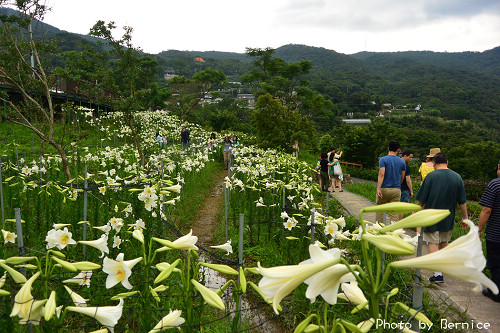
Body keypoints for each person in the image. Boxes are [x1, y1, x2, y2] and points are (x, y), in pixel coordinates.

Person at [415, 152, 468, 283]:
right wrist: (465, 217)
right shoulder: (457, 177)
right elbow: (462, 201)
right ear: (447, 162)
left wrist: (415, 214)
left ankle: (438, 274)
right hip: (448, 217)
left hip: (432, 215)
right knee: (443, 242)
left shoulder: (431, 176)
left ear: (434, 163)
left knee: (433, 242)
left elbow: (421, 200)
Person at [478, 161, 500, 302]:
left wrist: (479, 229)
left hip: (496, 233)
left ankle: (496, 292)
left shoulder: (495, 184)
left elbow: (487, 210)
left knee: (496, 263)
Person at [376, 141, 406, 223]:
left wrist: (378, 188)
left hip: (384, 188)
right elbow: (402, 176)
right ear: (398, 150)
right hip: (396, 189)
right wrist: (398, 184)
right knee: (394, 213)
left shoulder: (383, 159)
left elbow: (381, 174)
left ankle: (379, 230)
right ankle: (393, 232)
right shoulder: (402, 161)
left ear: (388, 148)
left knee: (380, 210)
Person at [399, 149, 414, 220]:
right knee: (401, 209)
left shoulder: (397, 162)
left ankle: (393, 222)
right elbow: (408, 180)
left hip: (396, 188)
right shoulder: (406, 166)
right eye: (410, 157)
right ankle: (399, 224)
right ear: (405, 156)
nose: (411, 159)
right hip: (404, 189)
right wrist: (411, 191)